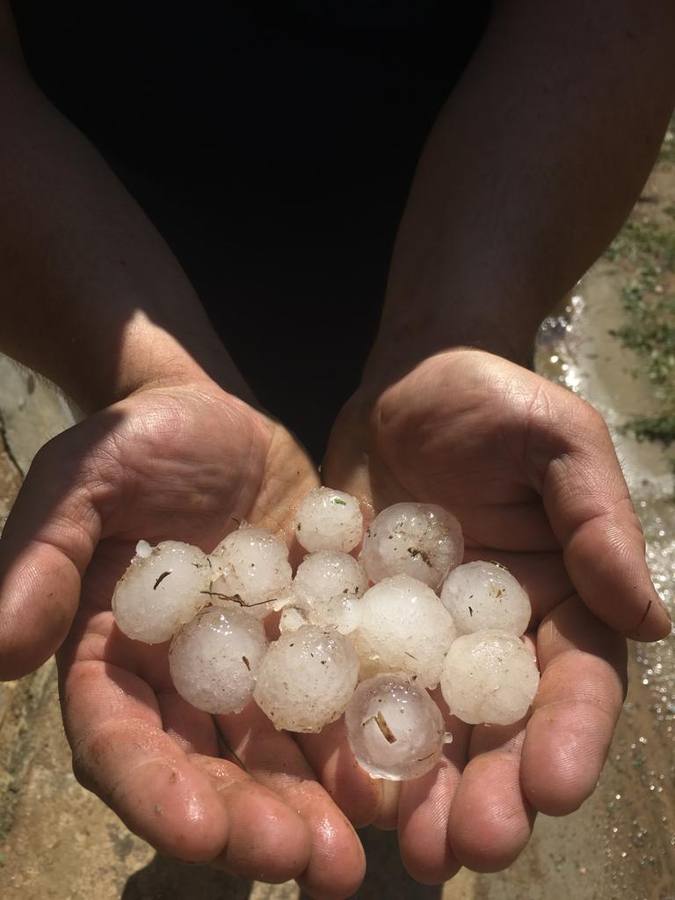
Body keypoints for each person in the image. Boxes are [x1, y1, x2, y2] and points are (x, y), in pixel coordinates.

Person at [0, 1, 673, 895]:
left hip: (468, 209)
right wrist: (128, 369)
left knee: (412, 817)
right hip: (86, 227)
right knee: (203, 761)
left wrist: (463, 321)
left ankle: (386, 856)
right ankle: (212, 851)